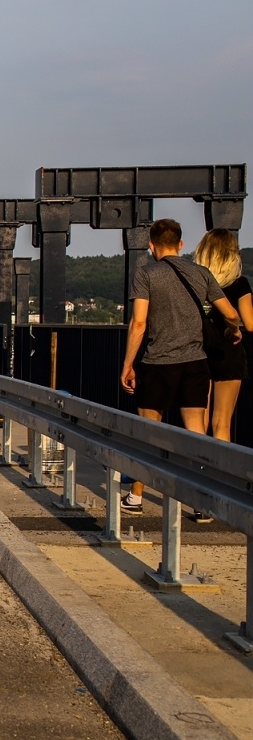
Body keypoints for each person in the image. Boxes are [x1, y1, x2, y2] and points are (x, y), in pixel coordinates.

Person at [119, 218, 244, 518]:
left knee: (149, 431)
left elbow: (138, 323)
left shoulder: (146, 274)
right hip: (195, 364)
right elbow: (230, 313)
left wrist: (127, 365)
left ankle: (136, 497)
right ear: (181, 244)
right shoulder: (200, 273)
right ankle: (202, 503)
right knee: (197, 434)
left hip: (157, 364)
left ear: (151, 245)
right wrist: (233, 331)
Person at [193, 228, 253, 444]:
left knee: (198, 422)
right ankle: (218, 475)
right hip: (230, 350)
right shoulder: (240, 284)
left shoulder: (198, 283)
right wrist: (232, 326)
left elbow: (203, 312)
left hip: (199, 349)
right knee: (222, 424)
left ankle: (196, 470)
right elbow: (249, 323)